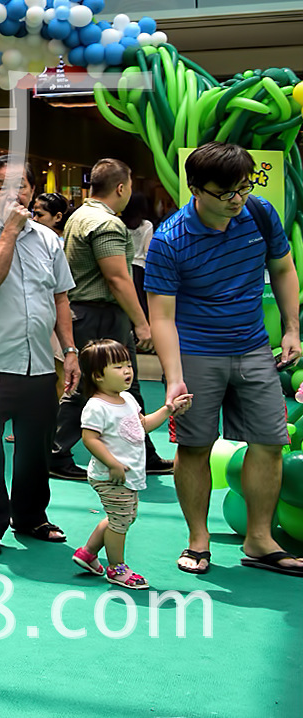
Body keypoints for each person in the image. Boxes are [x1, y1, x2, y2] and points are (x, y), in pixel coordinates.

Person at [143, 142, 302, 577]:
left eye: (244, 187)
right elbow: (162, 316)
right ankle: (198, 539)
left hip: (253, 346)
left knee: (270, 441)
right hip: (196, 352)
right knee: (195, 446)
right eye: (226, 192)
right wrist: (174, 377)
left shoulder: (260, 212)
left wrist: (291, 328)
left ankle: (259, 539)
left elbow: (283, 268)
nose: (237, 199)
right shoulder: (169, 240)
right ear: (196, 189)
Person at [0, 157, 79, 556]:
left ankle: (31, 517)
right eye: (2, 186)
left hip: (39, 361)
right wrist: (9, 230)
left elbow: (60, 297)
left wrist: (70, 350)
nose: (14, 194)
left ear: (32, 191)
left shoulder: (49, 240)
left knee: (36, 448)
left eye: (21, 186)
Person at [50, 159, 170, 480]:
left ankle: (144, 451)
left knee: (125, 385)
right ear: (120, 188)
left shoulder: (79, 216)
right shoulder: (106, 223)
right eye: (129, 186)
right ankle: (56, 454)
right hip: (99, 315)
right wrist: (142, 323)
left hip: (88, 312)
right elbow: (117, 278)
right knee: (88, 384)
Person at [71, 339, 194, 589]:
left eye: (128, 365)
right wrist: (112, 463)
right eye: (118, 367)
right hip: (111, 476)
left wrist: (168, 409)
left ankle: (88, 552)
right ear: (97, 376)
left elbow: (142, 425)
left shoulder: (127, 399)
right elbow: (90, 439)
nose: (127, 371)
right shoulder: (96, 406)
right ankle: (116, 568)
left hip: (127, 474)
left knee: (122, 517)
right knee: (120, 521)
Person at [122, 191, 156, 327]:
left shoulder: (119, 223)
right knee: (140, 301)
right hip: (140, 268)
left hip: (123, 266)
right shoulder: (146, 225)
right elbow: (148, 251)